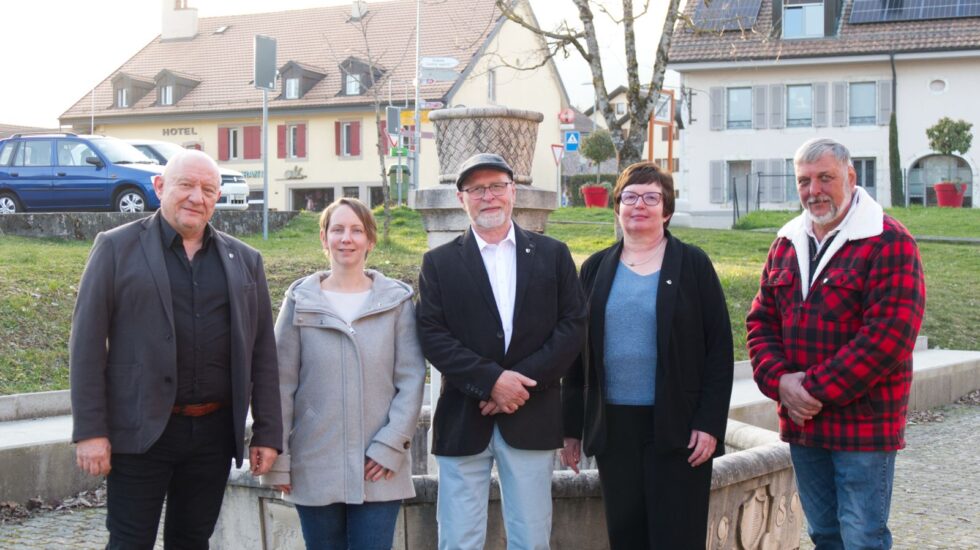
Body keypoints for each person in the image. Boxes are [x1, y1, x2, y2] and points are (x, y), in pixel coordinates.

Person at [69, 149, 282, 549]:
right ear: (160, 186)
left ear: (217, 197)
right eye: (186, 185)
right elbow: (86, 346)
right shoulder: (115, 248)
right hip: (140, 431)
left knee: (192, 541)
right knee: (130, 542)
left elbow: (262, 353)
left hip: (213, 435)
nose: (196, 197)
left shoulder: (245, 260)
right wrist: (91, 431)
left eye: (207, 189)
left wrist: (268, 433)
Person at [746, 138, 926, 549]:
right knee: (824, 535)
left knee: (863, 537)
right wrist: (779, 382)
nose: (814, 190)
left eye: (825, 177)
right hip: (803, 425)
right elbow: (761, 322)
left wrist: (809, 389)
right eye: (804, 181)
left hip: (864, 424)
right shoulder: (786, 243)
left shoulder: (889, 241)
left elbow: (888, 338)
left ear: (850, 176)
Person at [416, 153, 587, 550]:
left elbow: (573, 325)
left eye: (496, 186)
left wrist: (518, 384)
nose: (488, 196)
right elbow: (432, 334)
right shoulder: (438, 263)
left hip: (532, 415)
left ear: (513, 192)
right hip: (463, 418)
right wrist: (491, 382)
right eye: (477, 189)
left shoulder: (553, 254)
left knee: (530, 537)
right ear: (462, 199)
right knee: (459, 539)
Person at [560, 161, 734, 549]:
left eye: (651, 197)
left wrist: (709, 423)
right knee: (626, 537)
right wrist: (571, 428)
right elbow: (576, 356)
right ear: (617, 206)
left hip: (678, 427)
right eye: (630, 197)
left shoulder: (693, 265)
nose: (640, 205)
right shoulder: (594, 268)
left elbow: (720, 350)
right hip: (614, 427)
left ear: (666, 210)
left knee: (677, 537)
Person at [262, 198, 425, 550]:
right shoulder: (300, 300)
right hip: (314, 462)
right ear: (324, 238)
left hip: (379, 467)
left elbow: (411, 380)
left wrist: (389, 446)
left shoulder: (396, 301)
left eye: (356, 230)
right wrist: (281, 460)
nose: (346, 238)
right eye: (337, 229)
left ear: (370, 239)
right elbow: (279, 384)